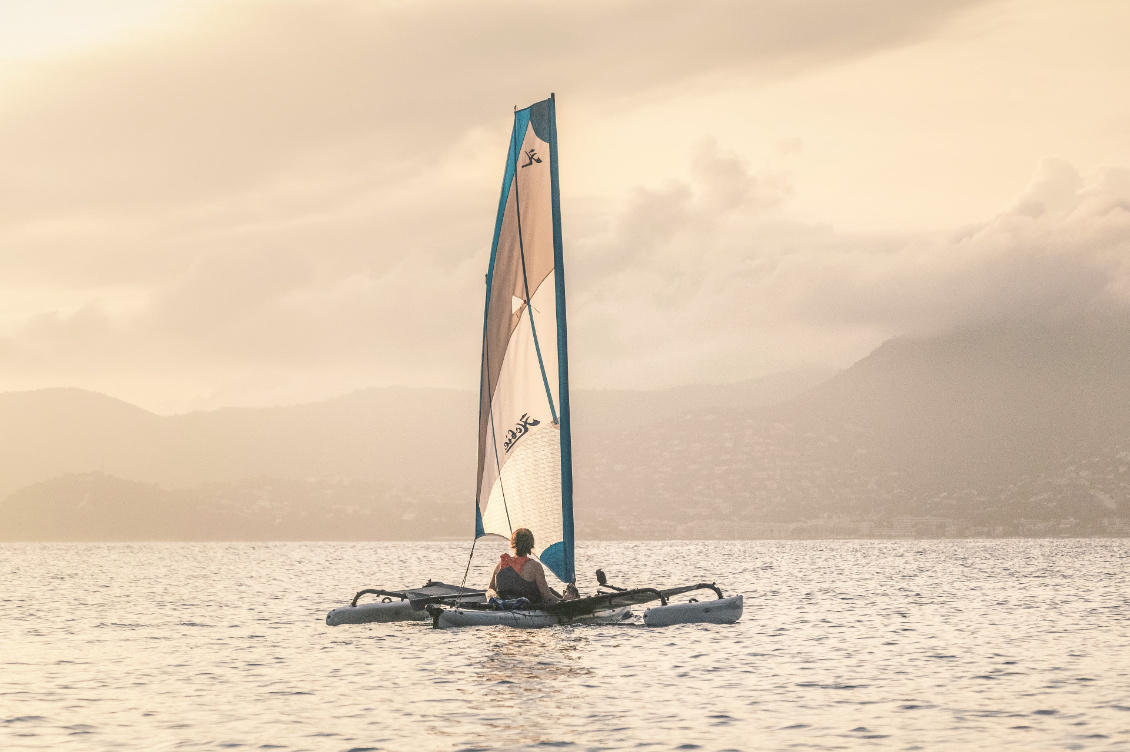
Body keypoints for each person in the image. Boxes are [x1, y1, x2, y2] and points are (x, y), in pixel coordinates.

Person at [486, 528, 579, 604]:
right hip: (526, 608)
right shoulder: (535, 566)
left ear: (513, 544)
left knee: (551, 590)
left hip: (505, 605)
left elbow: (491, 589)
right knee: (551, 592)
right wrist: (567, 599)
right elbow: (547, 597)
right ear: (531, 545)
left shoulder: (500, 564)